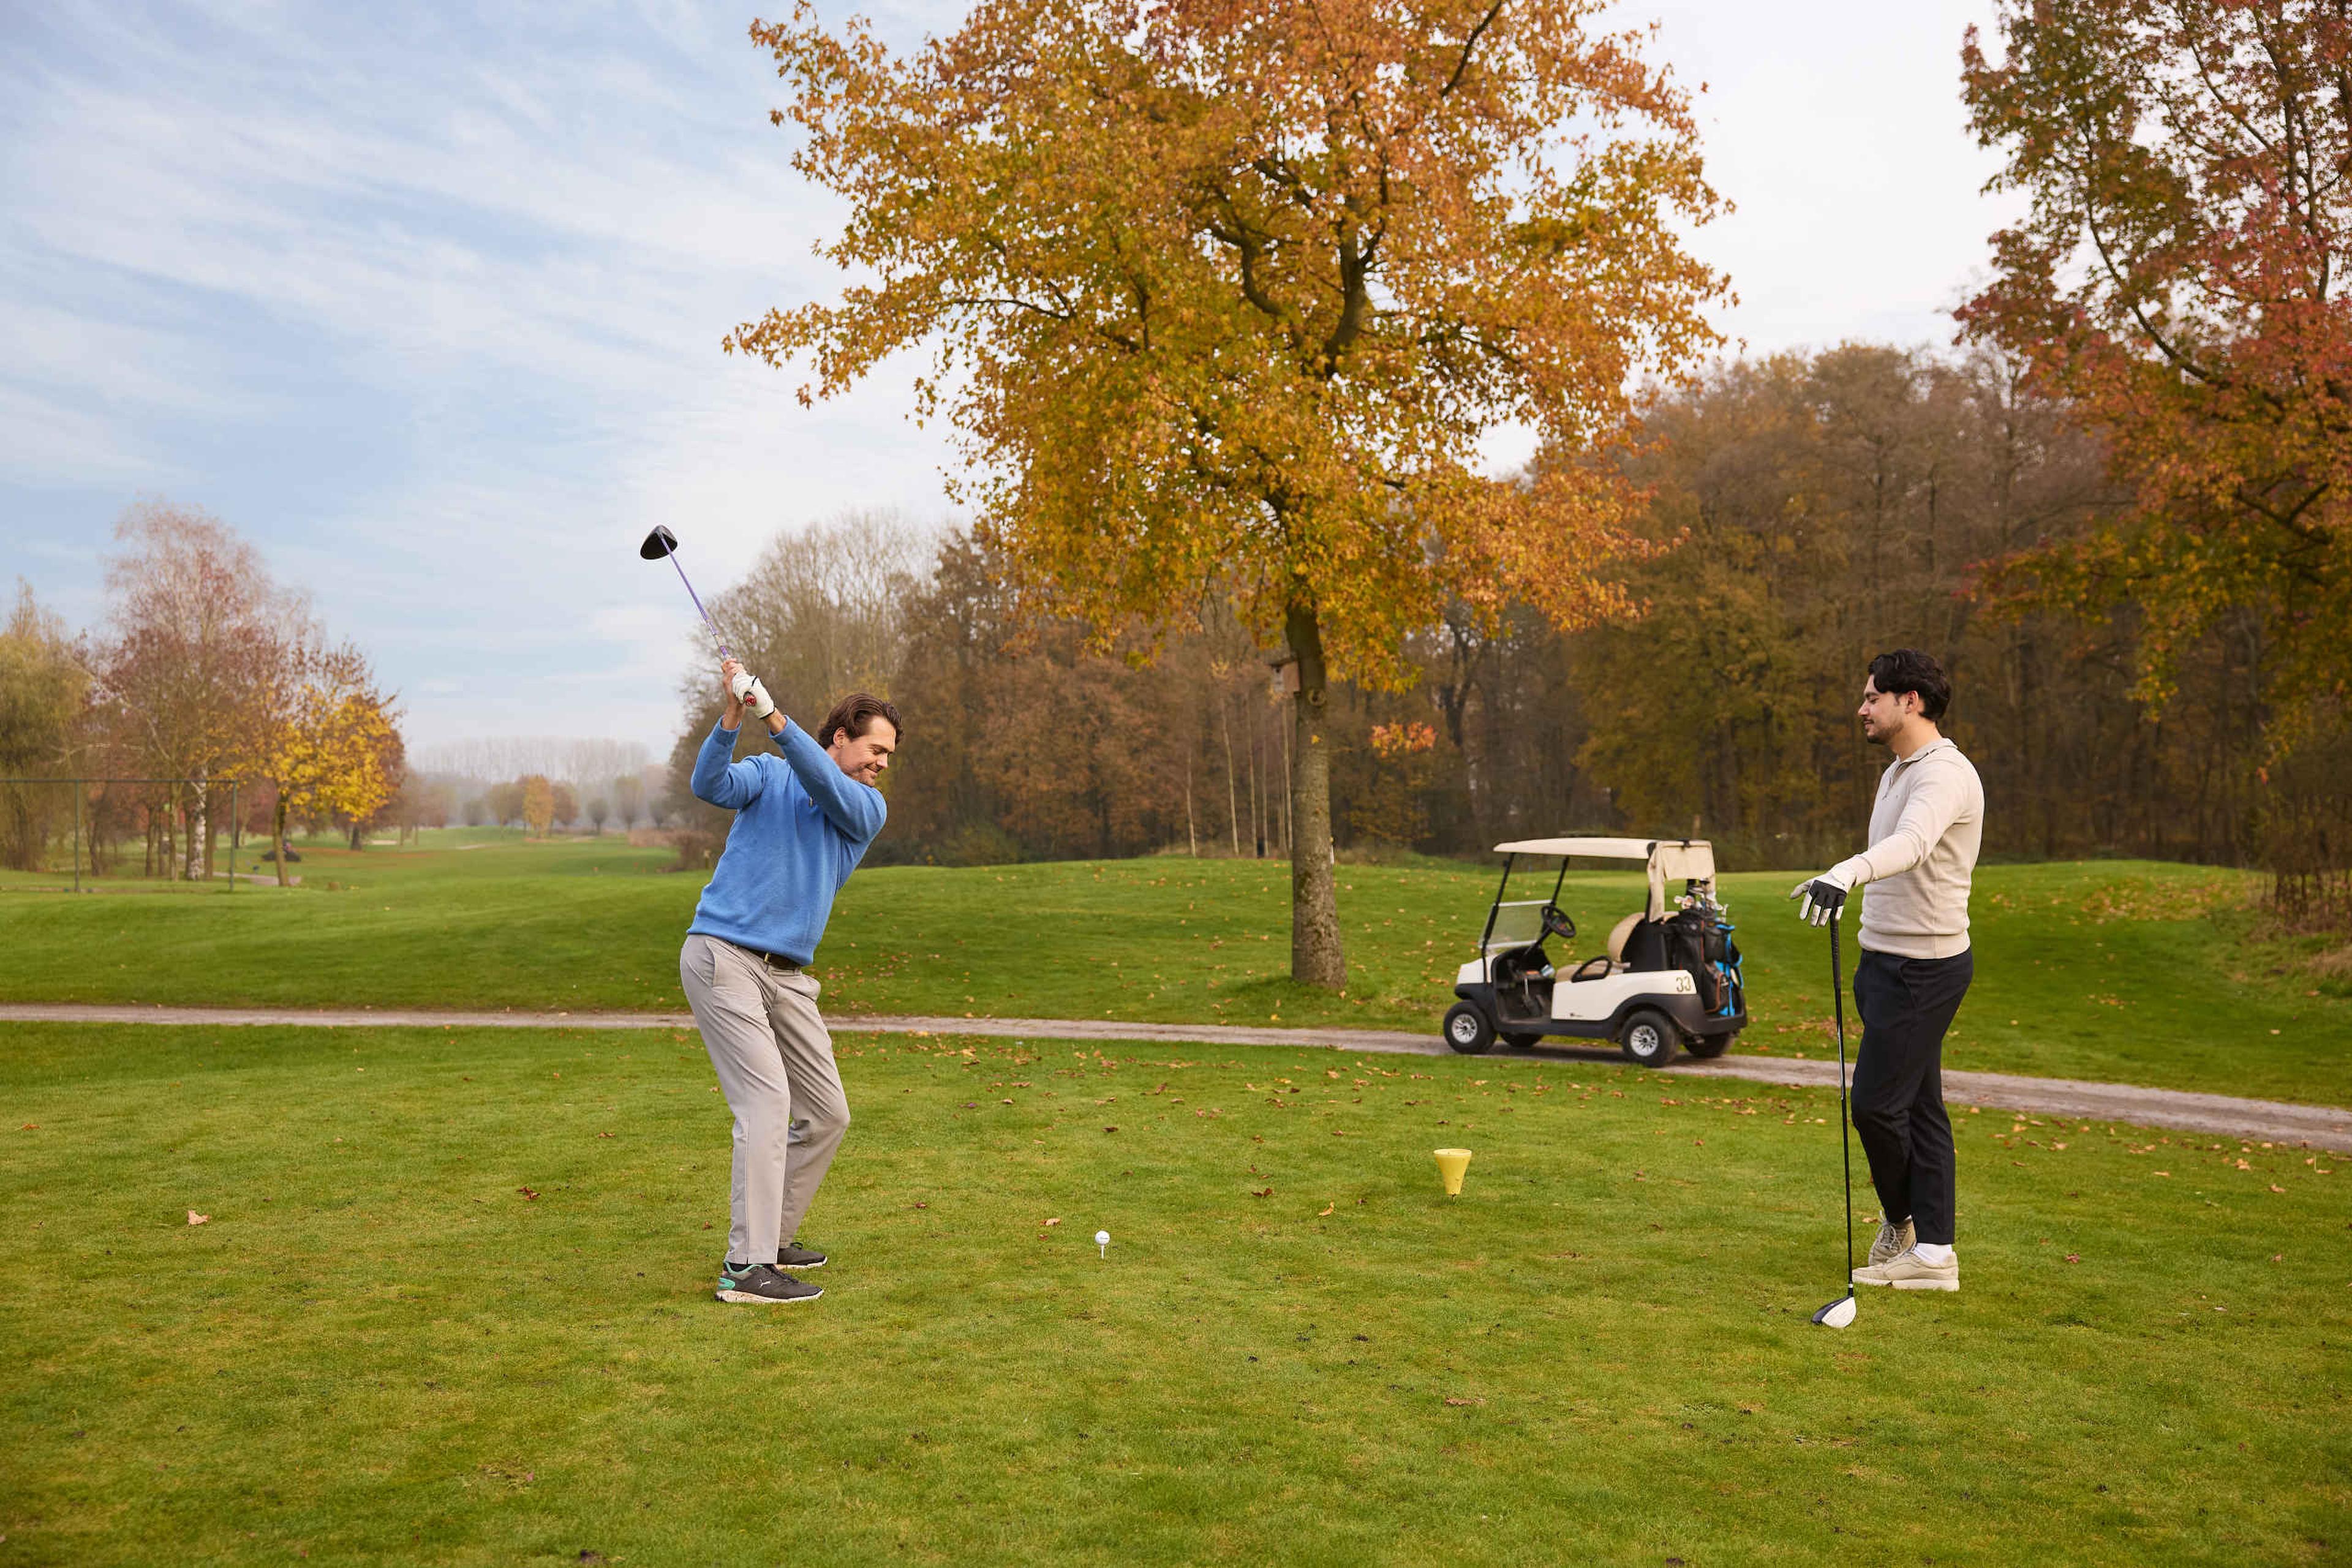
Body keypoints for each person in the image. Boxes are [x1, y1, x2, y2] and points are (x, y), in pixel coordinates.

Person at [679, 656, 899, 1305]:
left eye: (889, 754)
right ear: (840, 737)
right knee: (767, 1106)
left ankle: (770, 1238)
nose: (882, 763)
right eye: (874, 748)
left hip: (790, 978)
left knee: (828, 1112)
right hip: (725, 958)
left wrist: (775, 716)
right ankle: (745, 1271)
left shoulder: (865, 808)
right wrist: (733, 716)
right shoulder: (769, 774)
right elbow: (708, 784)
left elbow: (823, 787)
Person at [1790, 649, 1983, 1293]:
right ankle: (1934, 1254)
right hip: (1885, 962)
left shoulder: (1944, 775)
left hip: (1924, 971)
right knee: (1922, 1109)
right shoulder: (1898, 771)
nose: (1862, 707)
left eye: (1873, 696)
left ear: (1913, 701)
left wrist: (1845, 870)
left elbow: (1912, 845)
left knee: (1875, 1106)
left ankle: (1906, 1227)